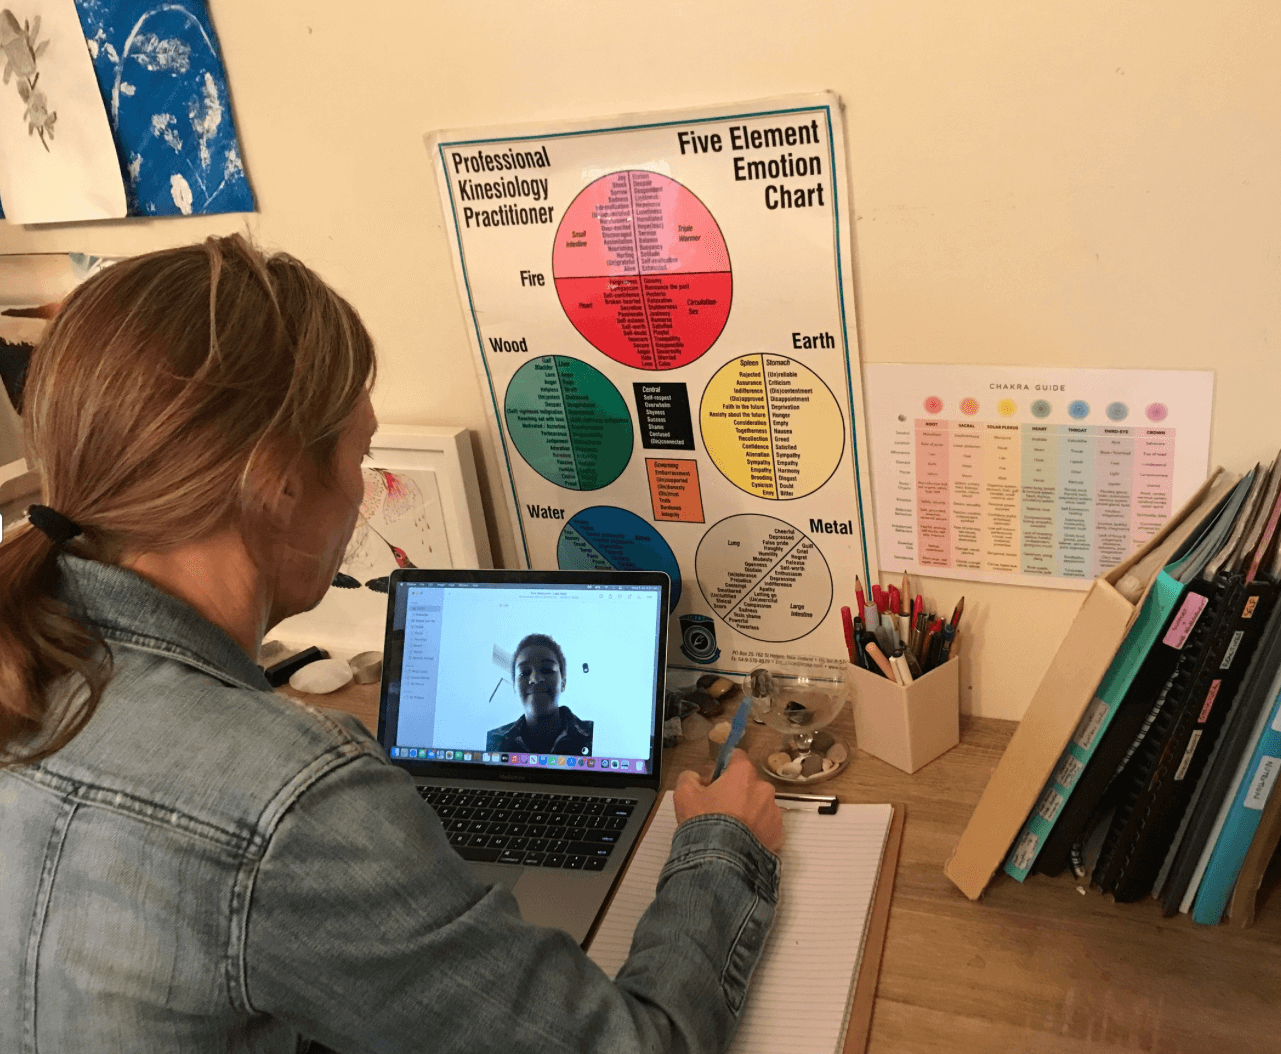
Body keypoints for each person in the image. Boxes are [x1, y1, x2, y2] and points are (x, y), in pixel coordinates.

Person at [0, 235, 784, 1053]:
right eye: (358, 453)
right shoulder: (296, 804)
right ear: (280, 482)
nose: (362, 491)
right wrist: (718, 848)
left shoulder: (29, 663)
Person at [487, 633, 593, 755]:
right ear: (514, 687)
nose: (535, 679)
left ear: (563, 683)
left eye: (547, 670)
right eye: (525, 672)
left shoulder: (593, 734)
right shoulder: (492, 741)